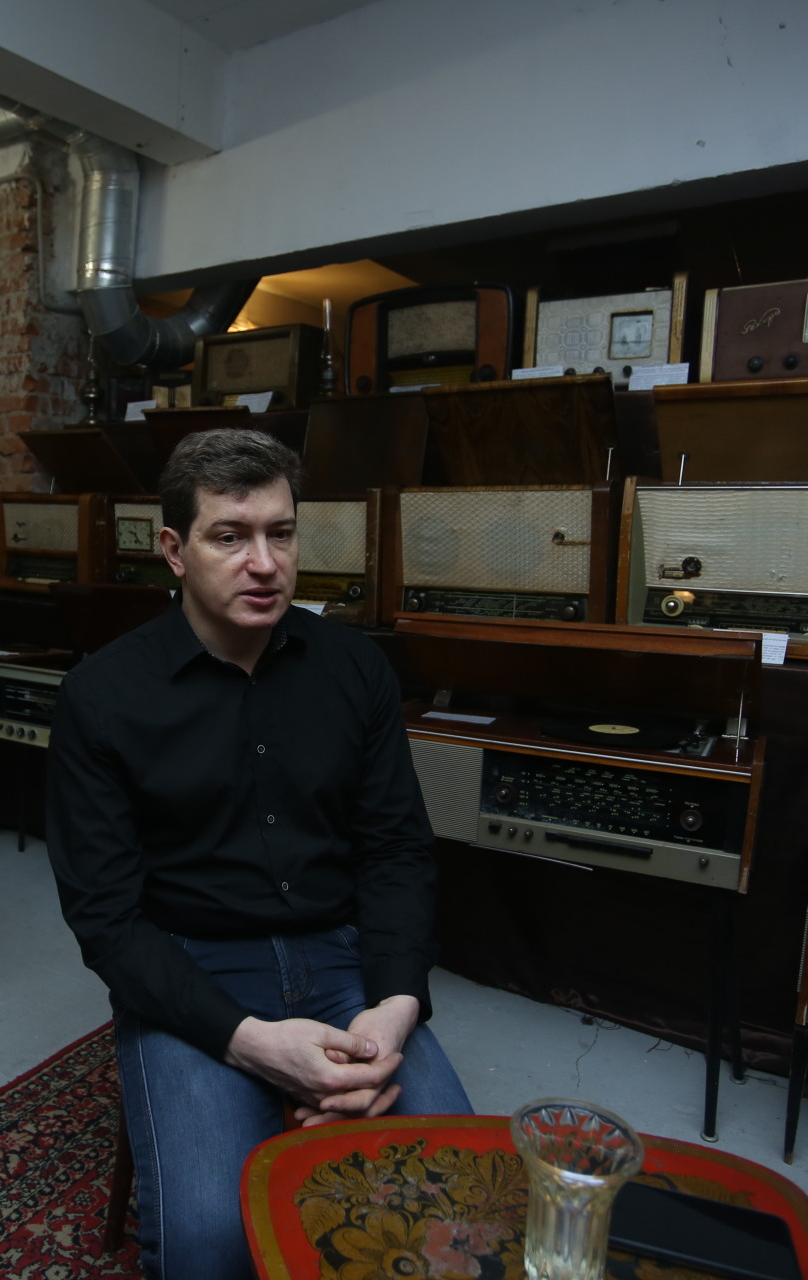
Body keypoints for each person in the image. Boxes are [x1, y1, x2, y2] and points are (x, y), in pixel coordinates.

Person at [45, 427, 472, 1280]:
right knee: (210, 1244)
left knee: (461, 1204)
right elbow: (106, 919)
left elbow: (396, 850)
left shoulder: (355, 667)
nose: (265, 564)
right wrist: (250, 1044)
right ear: (175, 550)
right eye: (230, 537)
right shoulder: (100, 697)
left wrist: (395, 1008)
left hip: (346, 959)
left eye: (281, 533)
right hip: (192, 966)